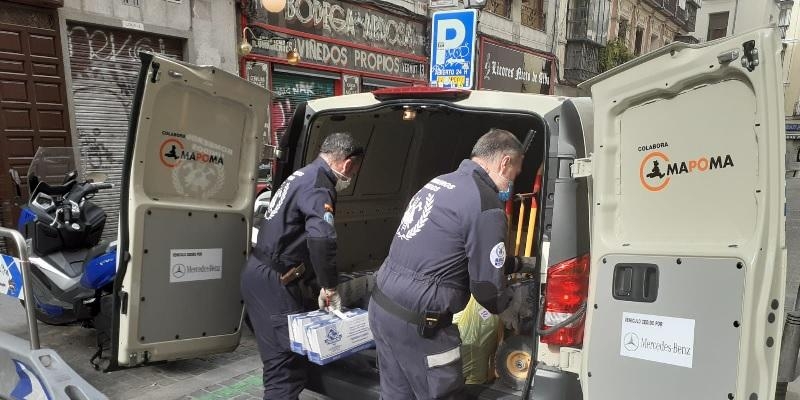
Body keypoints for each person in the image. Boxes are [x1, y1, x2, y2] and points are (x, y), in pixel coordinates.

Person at [368, 128, 524, 399]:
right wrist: (512, 306)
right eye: (516, 173)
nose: (513, 182)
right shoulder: (486, 204)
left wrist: (518, 263)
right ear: (505, 163)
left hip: (383, 308)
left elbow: (449, 253)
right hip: (422, 327)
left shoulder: (440, 182)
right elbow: (487, 289)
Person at [241, 132, 364, 400]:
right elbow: (321, 238)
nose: (352, 174)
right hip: (275, 282)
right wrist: (329, 286)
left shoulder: (301, 175)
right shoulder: (319, 184)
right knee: (286, 371)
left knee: (277, 363)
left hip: (260, 273)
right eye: (354, 169)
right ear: (347, 164)